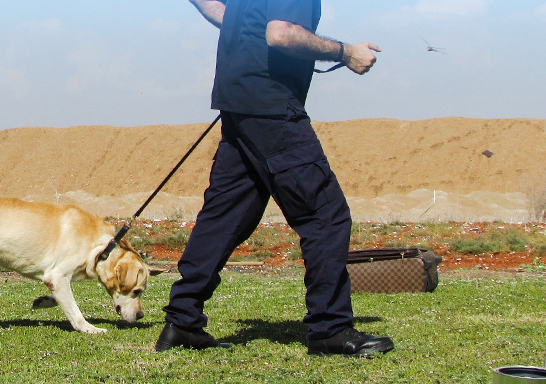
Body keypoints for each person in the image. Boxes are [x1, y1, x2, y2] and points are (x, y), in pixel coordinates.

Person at [155, 0, 394, 357]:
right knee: (325, 215)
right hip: (270, 108)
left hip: (239, 104)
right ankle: (330, 328)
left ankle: (182, 322)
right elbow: (281, 34)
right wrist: (345, 52)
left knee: (224, 217)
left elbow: (221, 12)